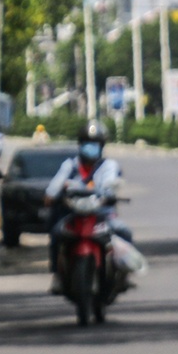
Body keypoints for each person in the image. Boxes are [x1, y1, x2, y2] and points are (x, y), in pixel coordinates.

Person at [43, 121, 133, 294]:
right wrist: (51, 195)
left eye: (94, 143)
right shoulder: (70, 165)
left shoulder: (109, 166)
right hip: (74, 213)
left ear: (102, 146)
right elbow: (56, 185)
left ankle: (122, 272)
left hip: (102, 213)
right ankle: (57, 275)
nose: (90, 147)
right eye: (86, 143)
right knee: (56, 234)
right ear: (80, 144)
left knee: (123, 232)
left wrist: (109, 193)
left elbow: (110, 184)